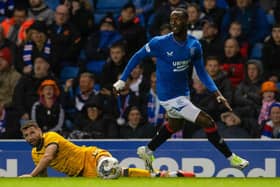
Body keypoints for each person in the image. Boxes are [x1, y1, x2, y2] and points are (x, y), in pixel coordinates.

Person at [113, 8, 249, 172]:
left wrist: (217, 93)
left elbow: (202, 72)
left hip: (183, 93)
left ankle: (147, 150)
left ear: (186, 22)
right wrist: (122, 79)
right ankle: (231, 158)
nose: (174, 23)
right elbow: (137, 56)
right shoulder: (159, 42)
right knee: (207, 121)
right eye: (172, 19)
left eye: (178, 19)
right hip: (167, 96)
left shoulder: (194, 45)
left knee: (175, 125)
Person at [19, 120, 195, 178]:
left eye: (32, 132)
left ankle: (156, 172)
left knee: (109, 167)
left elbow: (48, 158)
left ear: (40, 131)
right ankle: (164, 175)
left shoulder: (51, 137)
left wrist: (30, 175)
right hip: (82, 174)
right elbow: (43, 175)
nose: (30, 137)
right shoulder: (35, 154)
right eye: (26, 135)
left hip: (91, 156)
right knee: (121, 174)